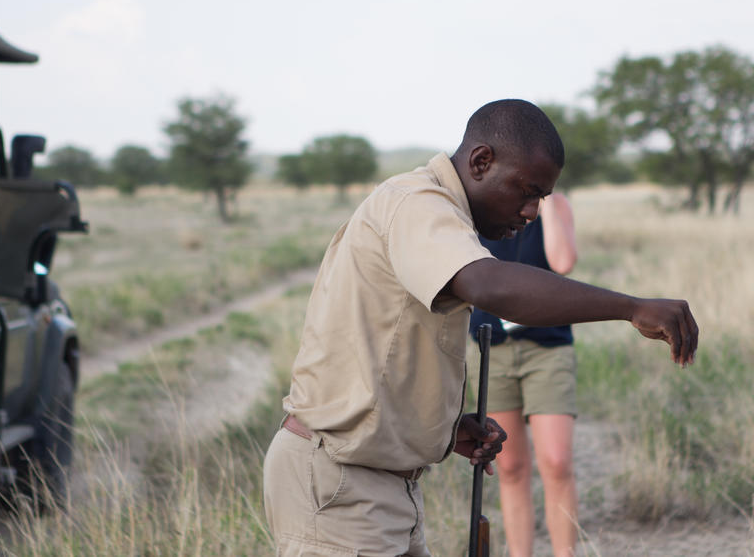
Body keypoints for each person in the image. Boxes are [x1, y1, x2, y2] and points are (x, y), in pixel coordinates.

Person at [263, 99, 698, 556]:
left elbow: (388, 344)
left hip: (385, 488)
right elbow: (488, 283)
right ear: (481, 161)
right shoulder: (416, 203)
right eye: (527, 191)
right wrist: (631, 307)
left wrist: (444, 428)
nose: (531, 211)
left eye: (542, 199)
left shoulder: (441, 214)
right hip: (340, 487)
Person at [468, 191, 580, 557]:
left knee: (557, 461)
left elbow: (563, 262)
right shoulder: (481, 205)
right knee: (511, 466)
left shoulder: (554, 205)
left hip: (546, 346)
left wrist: (546, 203)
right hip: (491, 347)